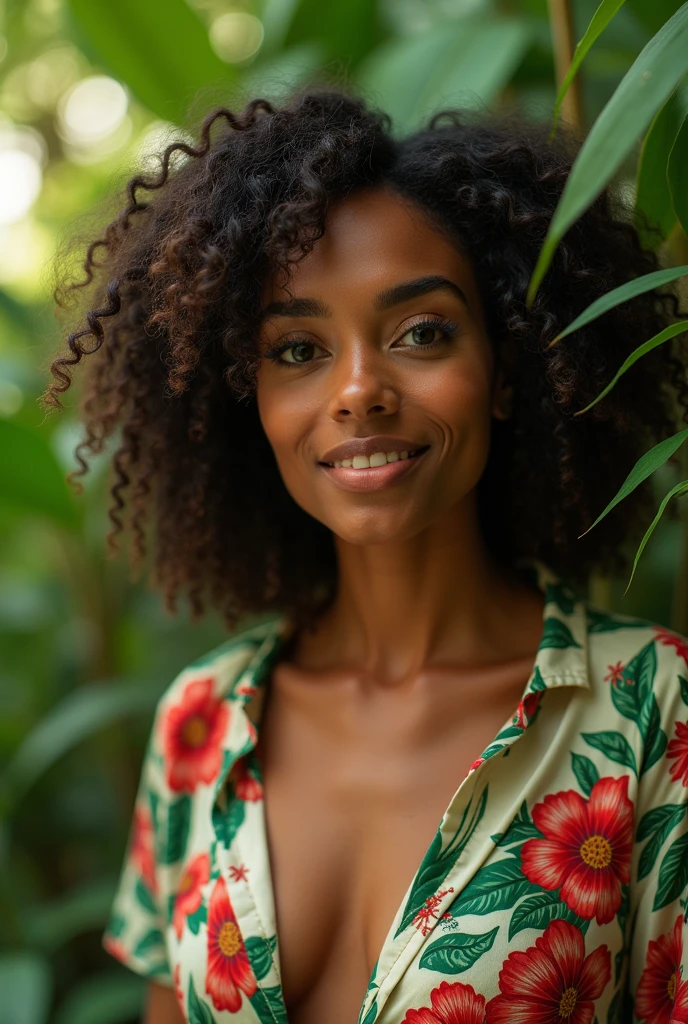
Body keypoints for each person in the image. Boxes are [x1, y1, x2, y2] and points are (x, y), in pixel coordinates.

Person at [41, 87, 688, 1024]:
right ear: (248, 401)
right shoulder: (203, 724)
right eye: (298, 348)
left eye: (420, 332)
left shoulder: (651, 713)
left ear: (507, 372)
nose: (357, 392)